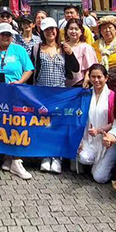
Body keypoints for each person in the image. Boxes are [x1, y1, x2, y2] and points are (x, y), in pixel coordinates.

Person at [0, 23, 35, 180]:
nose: (5, 37)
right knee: (2, 125)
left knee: (15, 124)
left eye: (8, 34)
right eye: (3, 34)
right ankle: (7, 159)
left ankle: (16, 160)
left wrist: (20, 81)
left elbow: (29, 69)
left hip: (15, 92)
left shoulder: (19, 50)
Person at [33, 17, 78, 174]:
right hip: (42, 93)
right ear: (42, 32)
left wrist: (71, 54)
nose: (50, 32)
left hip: (60, 93)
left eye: (53, 29)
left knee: (58, 125)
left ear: (57, 31)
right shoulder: (37, 48)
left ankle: (57, 157)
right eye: (47, 30)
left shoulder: (63, 49)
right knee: (44, 125)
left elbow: (75, 68)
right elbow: (32, 69)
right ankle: (45, 156)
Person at [76, 64, 115, 182]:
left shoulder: (113, 96)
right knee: (83, 158)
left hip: (107, 141)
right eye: (93, 77)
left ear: (106, 78)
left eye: (99, 77)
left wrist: (99, 130)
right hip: (89, 139)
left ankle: (111, 165)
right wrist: (80, 140)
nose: (96, 80)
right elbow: (79, 117)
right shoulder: (86, 95)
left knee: (100, 178)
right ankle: (96, 164)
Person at [92, 16, 116, 87]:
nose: (107, 30)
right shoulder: (95, 45)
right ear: (100, 32)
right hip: (98, 80)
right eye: (104, 28)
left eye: (110, 27)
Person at [62, 19, 97, 88]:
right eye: (71, 29)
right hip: (62, 84)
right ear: (66, 31)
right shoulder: (62, 46)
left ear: (81, 32)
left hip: (80, 84)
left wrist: (86, 80)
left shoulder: (86, 47)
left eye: (76, 29)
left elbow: (91, 67)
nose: (73, 31)